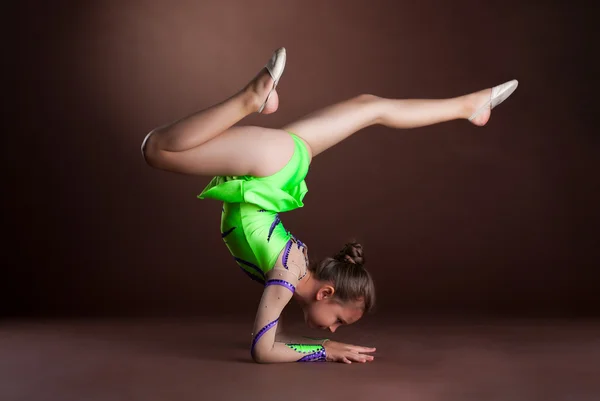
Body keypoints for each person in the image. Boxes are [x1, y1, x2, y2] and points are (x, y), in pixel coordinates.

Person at [141, 47, 519, 364]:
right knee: (156, 149)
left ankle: (470, 105)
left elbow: (271, 340)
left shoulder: (295, 269)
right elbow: (263, 349)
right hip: (270, 171)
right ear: (325, 293)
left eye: (338, 327)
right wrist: (323, 350)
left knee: (370, 107)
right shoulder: (287, 277)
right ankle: (250, 100)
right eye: (339, 320)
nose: (333, 328)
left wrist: (316, 344)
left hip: (288, 165)